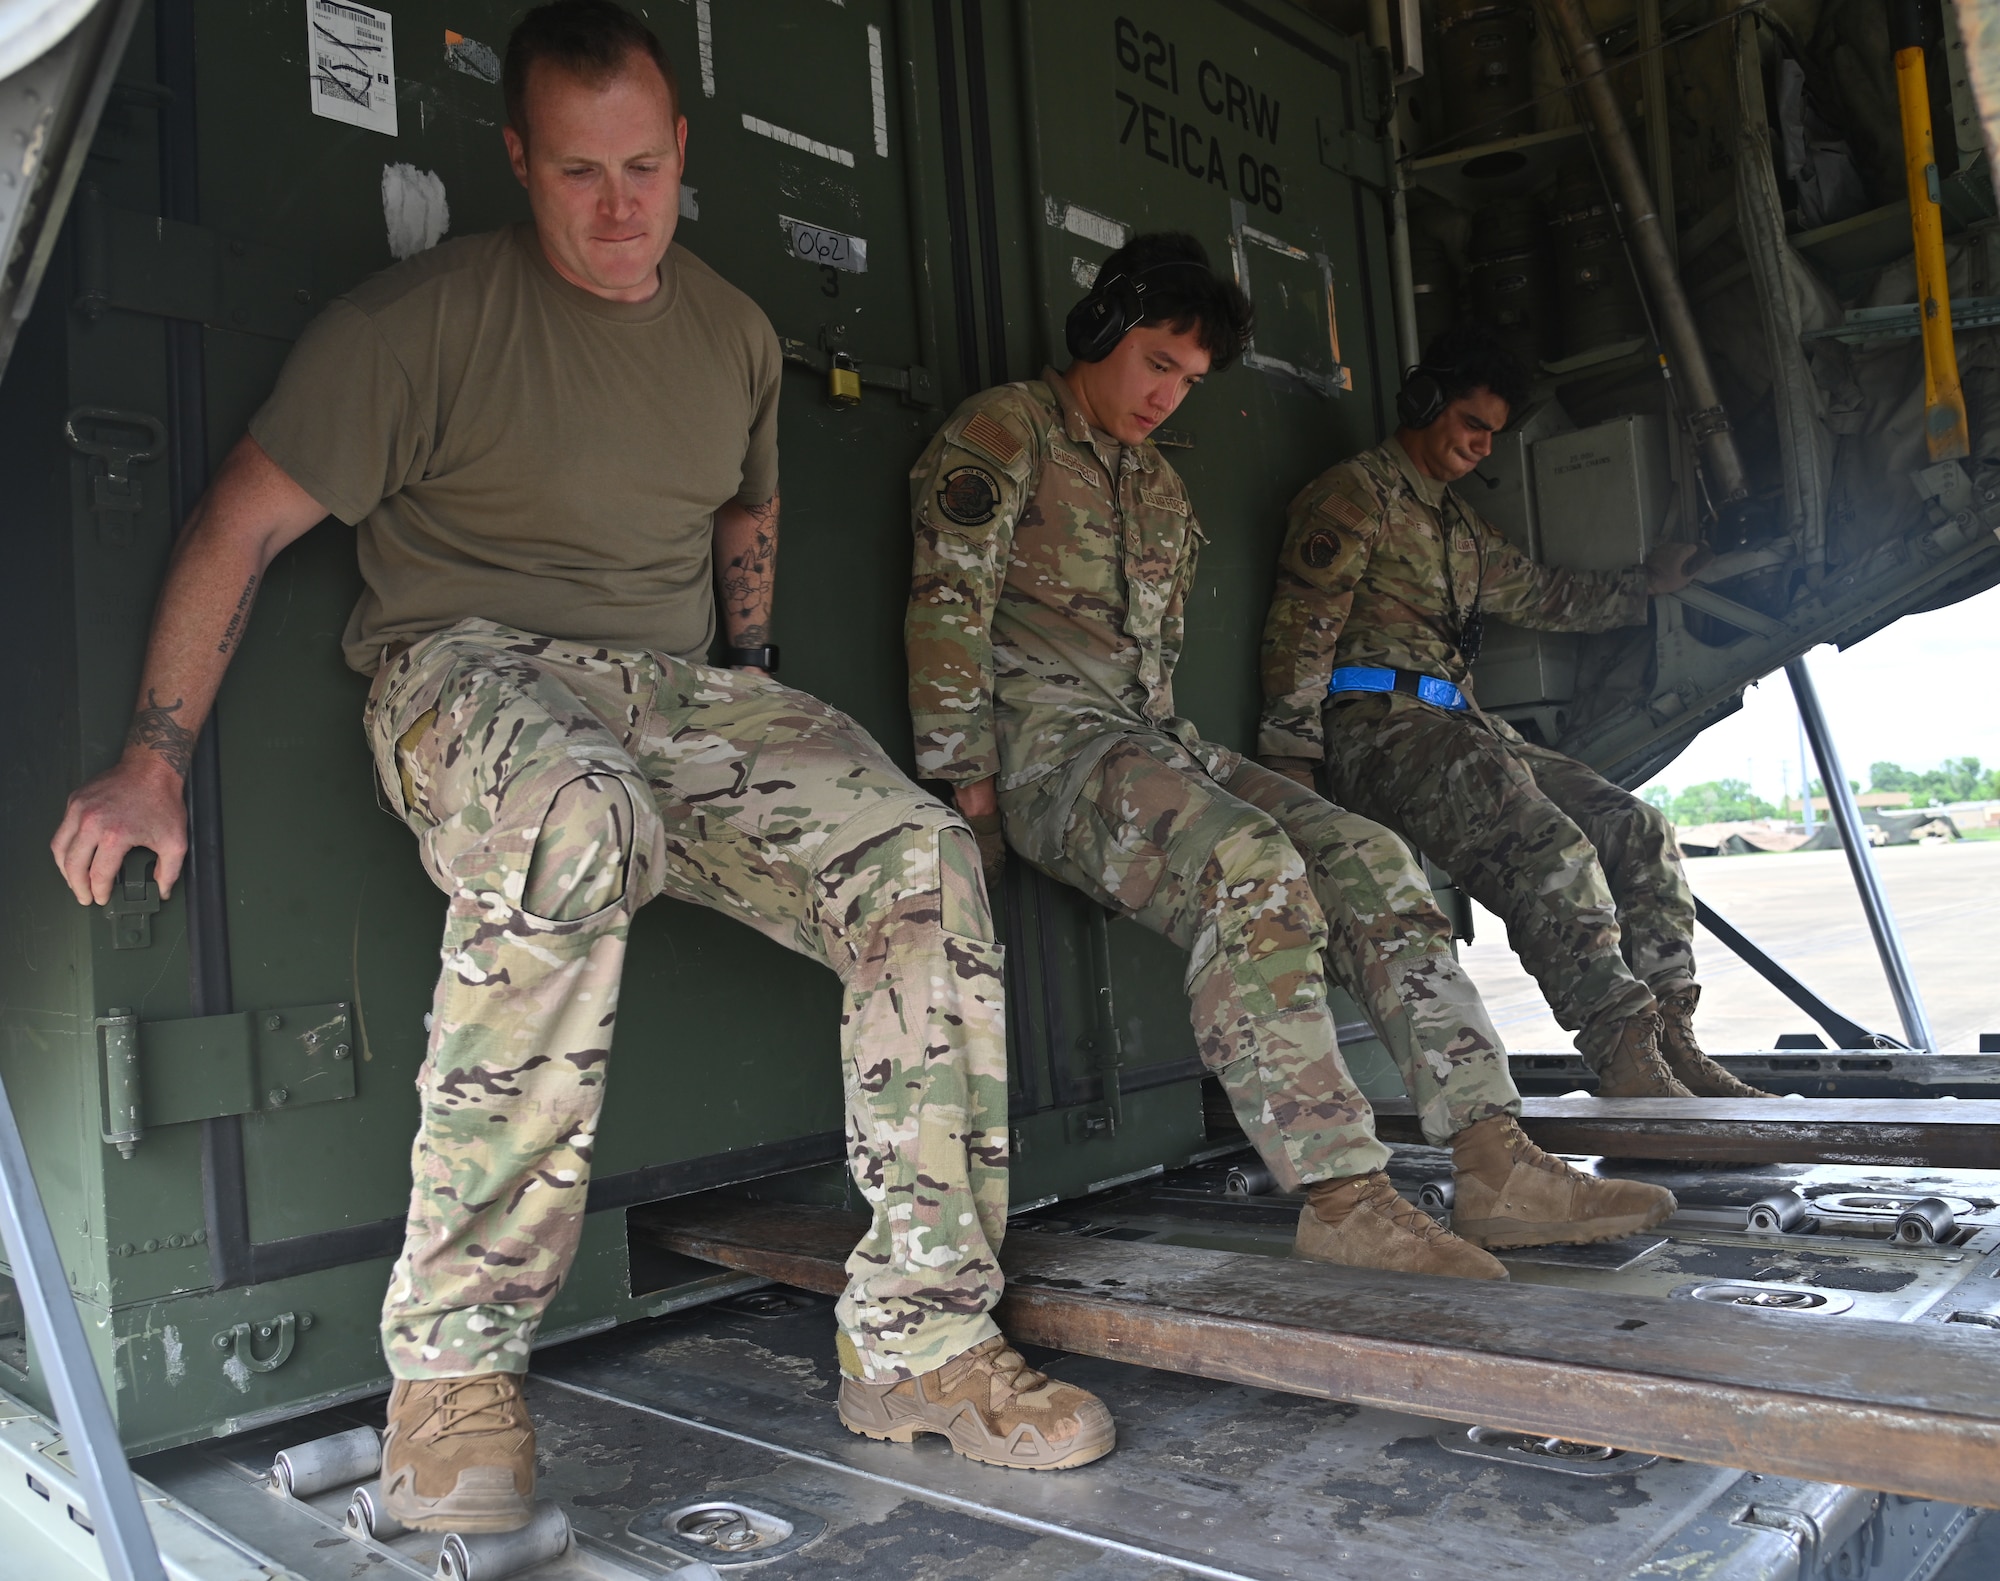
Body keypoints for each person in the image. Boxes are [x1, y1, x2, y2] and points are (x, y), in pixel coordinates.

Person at [50, 0, 1113, 1534]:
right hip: (469, 674)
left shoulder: (735, 330)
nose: (620, 209)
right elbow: (244, 522)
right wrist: (153, 760)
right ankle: (450, 1380)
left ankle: (923, 1342)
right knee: (574, 819)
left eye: (642, 168)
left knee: (920, 861)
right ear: (519, 163)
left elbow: (744, 513)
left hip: (680, 694)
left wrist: (751, 687)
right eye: (577, 174)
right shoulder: (408, 328)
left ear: (684, 152)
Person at [905, 234, 1674, 1289]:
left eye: (1188, 380)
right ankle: (1342, 1196)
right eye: (1154, 364)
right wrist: (969, 789)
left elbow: (1152, 687)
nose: (1166, 396)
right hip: (1049, 749)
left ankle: (1494, 1159)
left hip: (1149, 738)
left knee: (1368, 859)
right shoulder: (1007, 433)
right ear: (1099, 333)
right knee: (1249, 867)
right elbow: (948, 604)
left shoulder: (1158, 489)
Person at [1257, 322, 1768, 1100]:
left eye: (1494, 433)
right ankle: (1625, 1052)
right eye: (1472, 424)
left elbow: (1545, 594)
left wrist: (1647, 585)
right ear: (1426, 403)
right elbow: (1304, 621)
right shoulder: (1354, 496)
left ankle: (1672, 1040)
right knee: (1547, 842)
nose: (1484, 446)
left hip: (1459, 724)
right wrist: (1292, 761)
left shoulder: (1460, 526)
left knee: (1637, 827)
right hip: (1376, 726)